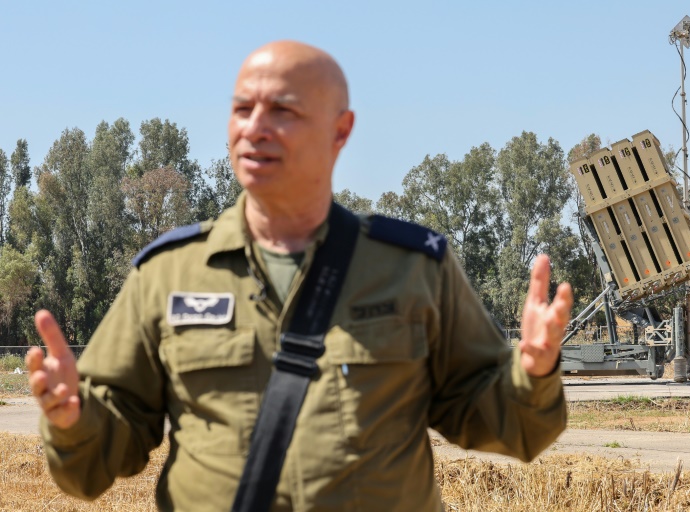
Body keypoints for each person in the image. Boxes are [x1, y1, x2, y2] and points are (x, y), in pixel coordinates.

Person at [26, 40, 573, 511]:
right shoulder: (167, 273)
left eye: (282, 111)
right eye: (242, 108)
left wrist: (532, 374)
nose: (255, 127)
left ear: (341, 131)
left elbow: (507, 424)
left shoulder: (413, 268)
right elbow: (97, 462)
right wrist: (75, 421)